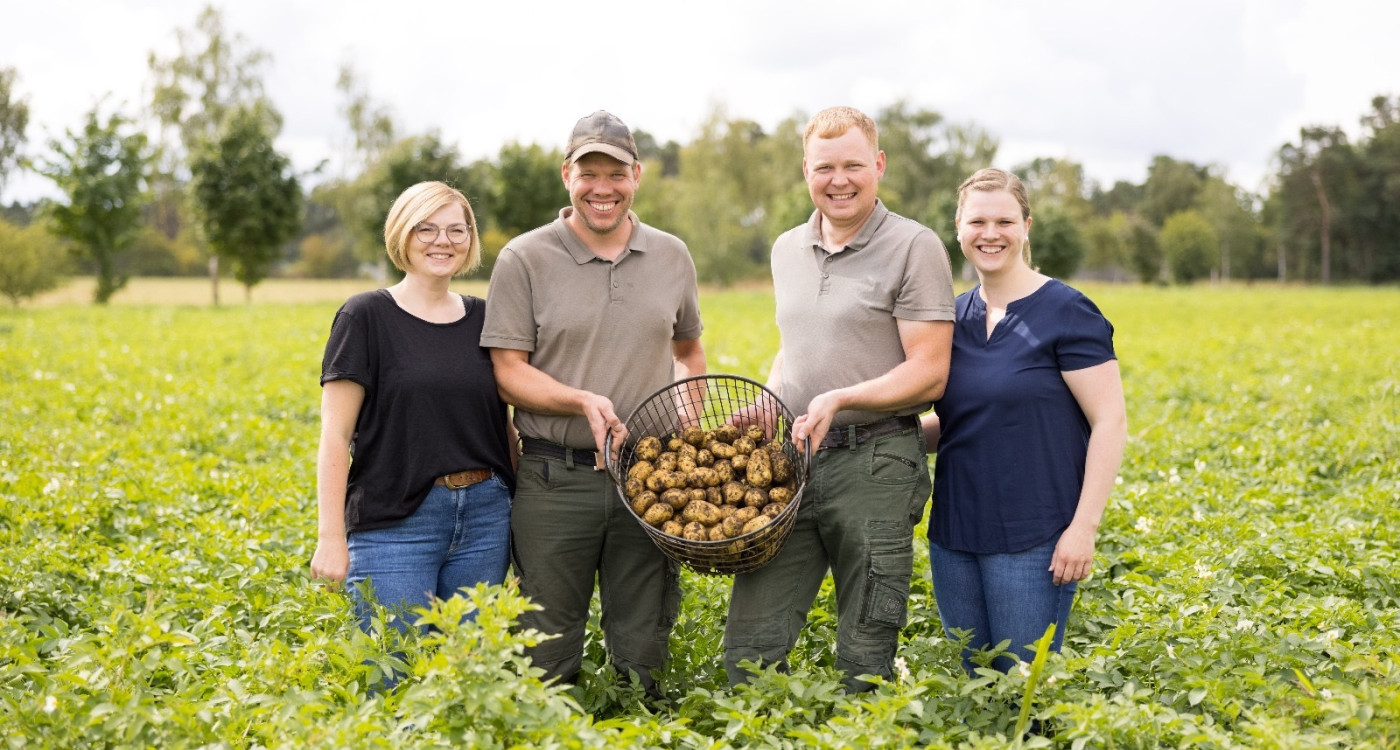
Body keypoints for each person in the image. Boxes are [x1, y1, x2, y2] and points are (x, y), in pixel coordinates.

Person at [723, 106, 955, 692]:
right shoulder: (786, 249)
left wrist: (841, 397)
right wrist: (772, 400)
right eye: (825, 167)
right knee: (751, 646)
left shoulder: (913, 246)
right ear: (806, 170)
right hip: (793, 462)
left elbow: (930, 372)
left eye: (853, 164)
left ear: (877, 164)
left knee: (866, 645)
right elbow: (796, 347)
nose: (840, 179)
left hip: (876, 460)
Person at [481, 110, 707, 696]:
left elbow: (688, 349)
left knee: (642, 646)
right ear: (566, 176)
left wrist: (692, 395)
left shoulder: (672, 255)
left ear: (637, 176)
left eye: (616, 173)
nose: (602, 188)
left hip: (650, 480)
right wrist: (581, 400)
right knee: (544, 647)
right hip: (556, 477)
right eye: (589, 173)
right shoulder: (524, 259)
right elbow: (507, 374)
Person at [921, 167, 1126, 675]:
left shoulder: (1067, 311)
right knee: (974, 686)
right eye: (978, 221)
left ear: (1026, 226)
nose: (990, 234)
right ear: (959, 227)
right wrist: (860, 431)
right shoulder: (951, 316)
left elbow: (1110, 422)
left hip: (1033, 539)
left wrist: (1084, 529)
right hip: (954, 536)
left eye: (1004, 221)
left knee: (1021, 693)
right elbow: (962, 423)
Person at [311, 181, 517, 650]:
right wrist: (331, 536)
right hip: (396, 523)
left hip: (486, 519)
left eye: (455, 230)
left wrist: (519, 511)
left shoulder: (487, 318)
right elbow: (334, 436)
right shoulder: (365, 316)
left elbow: (501, 423)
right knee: (394, 672)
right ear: (401, 235)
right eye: (426, 228)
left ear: (470, 240)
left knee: (471, 674)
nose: (442, 241)